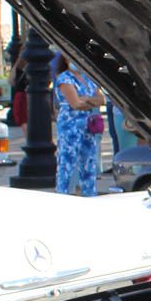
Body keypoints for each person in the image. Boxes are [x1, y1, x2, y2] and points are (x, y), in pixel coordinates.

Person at [53, 53, 105, 197]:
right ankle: (62, 193)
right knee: (67, 162)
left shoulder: (88, 79)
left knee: (89, 162)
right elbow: (75, 103)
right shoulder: (64, 78)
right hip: (70, 126)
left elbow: (101, 99)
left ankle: (89, 193)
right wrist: (89, 101)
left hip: (88, 125)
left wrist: (86, 99)